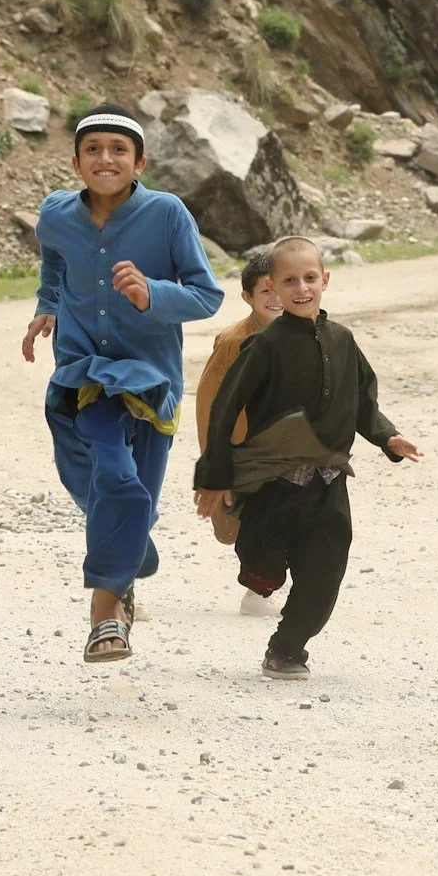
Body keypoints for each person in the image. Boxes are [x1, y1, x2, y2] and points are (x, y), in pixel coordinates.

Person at [23, 105, 224, 663]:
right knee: (112, 479)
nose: (105, 158)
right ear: (76, 162)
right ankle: (105, 617)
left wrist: (151, 294)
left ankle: (133, 553)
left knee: (135, 495)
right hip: (84, 372)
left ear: (140, 162)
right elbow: (54, 265)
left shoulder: (167, 214)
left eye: (118, 149)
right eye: (93, 150)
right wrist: (46, 306)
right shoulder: (56, 214)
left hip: (152, 380)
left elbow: (207, 295)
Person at [192, 236, 424, 679]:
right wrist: (215, 474)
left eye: (310, 278)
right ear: (273, 289)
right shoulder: (263, 346)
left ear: (325, 280)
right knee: (261, 562)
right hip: (273, 483)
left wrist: (388, 438)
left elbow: (363, 401)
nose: (302, 288)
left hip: (328, 481)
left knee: (324, 575)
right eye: (290, 281)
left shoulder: (343, 340)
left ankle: (287, 648)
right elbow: (223, 408)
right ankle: (259, 576)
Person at [197, 247, 285, 615]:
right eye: (266, 292)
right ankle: (258, 592)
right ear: (248, 297)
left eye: (282, 287)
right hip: (245, 451)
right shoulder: (235, 341)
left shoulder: (309, 332)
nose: (276, 299)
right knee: (255, 521)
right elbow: (210, 406)